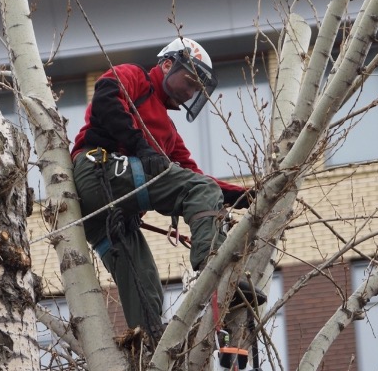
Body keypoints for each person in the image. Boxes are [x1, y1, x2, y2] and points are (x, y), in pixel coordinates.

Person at [71, 37, 259, 337]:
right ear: (167, 64)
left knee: (146, 287)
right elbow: (106, 98)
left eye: (196, 89)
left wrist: (247, 196)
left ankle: (147, 354)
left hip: (108, 216)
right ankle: (213, 266)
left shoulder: (170, 135)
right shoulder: (136, 77)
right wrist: (141, 148)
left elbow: (198, 180)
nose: (190, 91)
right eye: (189, 81)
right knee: (198, 191)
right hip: (99, 171)